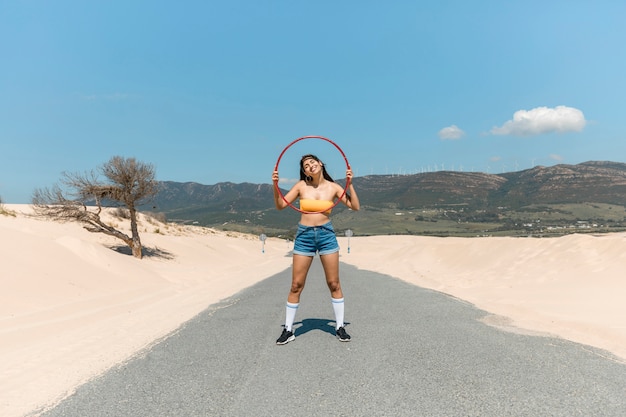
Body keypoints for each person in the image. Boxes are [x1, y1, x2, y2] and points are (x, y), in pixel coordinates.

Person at [272, 154, 360, 345]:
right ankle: (288, 329)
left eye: (312, 162)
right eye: (306, 165)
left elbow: (355, 206)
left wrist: (349, 183)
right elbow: (280, 206)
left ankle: (339, 327)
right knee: (296, 284)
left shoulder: (334, 187)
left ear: (320, 164)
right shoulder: (300, 186)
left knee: (334, 283)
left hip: (326, 235)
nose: (310, 166)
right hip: (304, 236)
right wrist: (275, 185)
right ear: (304, 171)